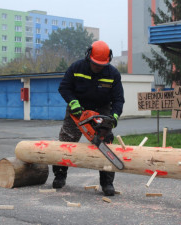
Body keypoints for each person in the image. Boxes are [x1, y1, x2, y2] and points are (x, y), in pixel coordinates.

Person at [53, 40, 125, 196]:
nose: (98, 67)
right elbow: (64, 87)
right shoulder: (76, 68)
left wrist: (114, 116)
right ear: (89, 57)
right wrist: (73, 102)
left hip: (102, 110)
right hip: (78, 109)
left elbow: (118, 99)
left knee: (105, 145)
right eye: (95, 64)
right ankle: (60, 175)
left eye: (101, 65)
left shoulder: (113, 74)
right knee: (67, 139)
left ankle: (107, 183)